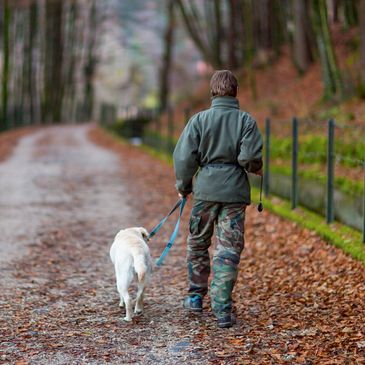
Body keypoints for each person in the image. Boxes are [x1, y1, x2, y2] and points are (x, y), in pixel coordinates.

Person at [173, 70, 263, 328]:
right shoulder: (246, 121)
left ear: (212, 92)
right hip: (234, 194)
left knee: (198, 243)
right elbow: (249, 158)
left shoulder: (199, 120)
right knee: (228, 249)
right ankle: (222, 308)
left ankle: (194, 298)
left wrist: (183, 186)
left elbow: (183, 158)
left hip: (205, 192)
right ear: (235, 92)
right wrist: (256, 166)